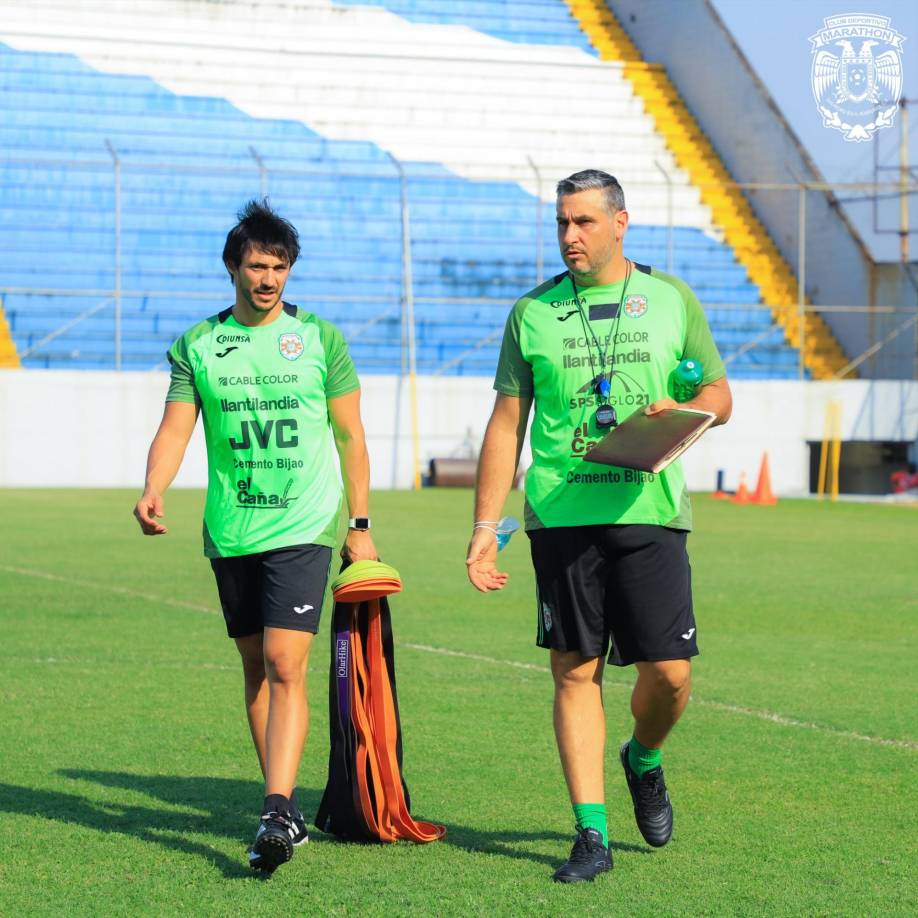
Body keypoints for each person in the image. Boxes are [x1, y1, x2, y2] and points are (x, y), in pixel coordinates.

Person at [466, 170, 732, 883]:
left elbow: (718, 394)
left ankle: (642, 758)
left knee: (671, 676)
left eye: (583, 222)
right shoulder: (533, 312)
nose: (569, 237)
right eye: (561, 223)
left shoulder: (671, 299)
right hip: (560, 514)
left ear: (621, 223)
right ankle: (591, 834)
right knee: (573, 672)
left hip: (648, 510)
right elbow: (506, 423)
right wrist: (485, 524)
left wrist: (676, 415)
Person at [133, 200, 377, 873]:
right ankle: (283, 800)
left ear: (290, 270)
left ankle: (275, 807)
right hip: (232, 526)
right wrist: (154, 485)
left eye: (279, 267)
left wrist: (359, 527)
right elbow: (177, 427)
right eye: (256, 266)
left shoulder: (321, 340)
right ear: (233, 269)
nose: (268, 279)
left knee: (284, 662)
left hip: (303, 523)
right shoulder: (198, 346)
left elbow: (351, 438)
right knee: (254, 665)